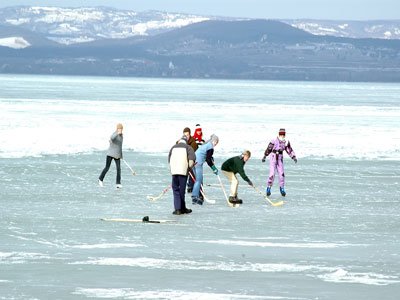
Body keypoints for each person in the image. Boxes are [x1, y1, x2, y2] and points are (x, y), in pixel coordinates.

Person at [262, 128, 297, 197]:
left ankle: (282, 188)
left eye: (283, 135)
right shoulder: (274, 140)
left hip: (280, 158)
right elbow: (269, 148)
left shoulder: (286, 142)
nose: (282, 136)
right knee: (272, 173)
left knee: (281, 174)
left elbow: (289, 150)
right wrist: (265, 156)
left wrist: (293, 156)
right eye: (281, 134)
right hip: (273, 157)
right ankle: (268, 187)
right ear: (279, 134)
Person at [168, 135, 196, 215]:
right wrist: (189, 167)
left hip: (174, 172)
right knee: (181, 191)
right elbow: (191, 160)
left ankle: (178, 209)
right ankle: (181, 209)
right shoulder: (188, 147)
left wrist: (172, 169)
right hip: (183, 172)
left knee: (175, 190)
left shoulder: (173, 147)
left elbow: (169, 159)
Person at [192, 134, 219, 205]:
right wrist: (214, 168)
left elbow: (207, 156)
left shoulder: (206, 145)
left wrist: (210, 157)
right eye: (216, 142)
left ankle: (199, 196)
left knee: (198, 180)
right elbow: (208, 160)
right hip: (198, 163)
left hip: (193, 162)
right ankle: (195, 196)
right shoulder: (210, 147)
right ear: (213, 141)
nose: (216, 144)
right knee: (199, 180)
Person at [98, 123, 124, 188]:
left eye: (121, 129)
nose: (120, 130)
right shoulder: (115, 134)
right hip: (110, 154)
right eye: (119, 129)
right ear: (117, 129)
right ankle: (100, 179)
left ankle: (118, 183)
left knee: (118, 169)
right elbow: (112, 138)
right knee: (107, 167)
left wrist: (121, 155)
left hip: (117, 155)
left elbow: (119, 146)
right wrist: (117, 133)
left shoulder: (121, 136)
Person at [182, 127, 198, 193]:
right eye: (185, 135)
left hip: (191, 160)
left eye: (187, 135)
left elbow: (193, 153)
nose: (186, 136)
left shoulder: (193, 142)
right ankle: (183, 185)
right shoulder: (181, 141)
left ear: (190, 134)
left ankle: (190, 186)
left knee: (191, 172)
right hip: (183, 160)